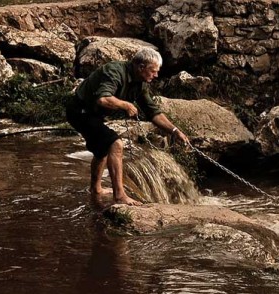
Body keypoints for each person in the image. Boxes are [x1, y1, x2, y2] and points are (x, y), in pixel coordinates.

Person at [66, 48, 189, 206]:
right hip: (79, 111)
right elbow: (103, 99)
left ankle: (95, 188)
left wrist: (174, 131)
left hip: (93, 115)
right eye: (153, 71)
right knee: (115, 144)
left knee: (101, 149)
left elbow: (153, 112)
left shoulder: (141, 83)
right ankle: (120, 195)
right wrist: (125, 105)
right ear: (141, 66)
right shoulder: (114, 71)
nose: (156, 75)